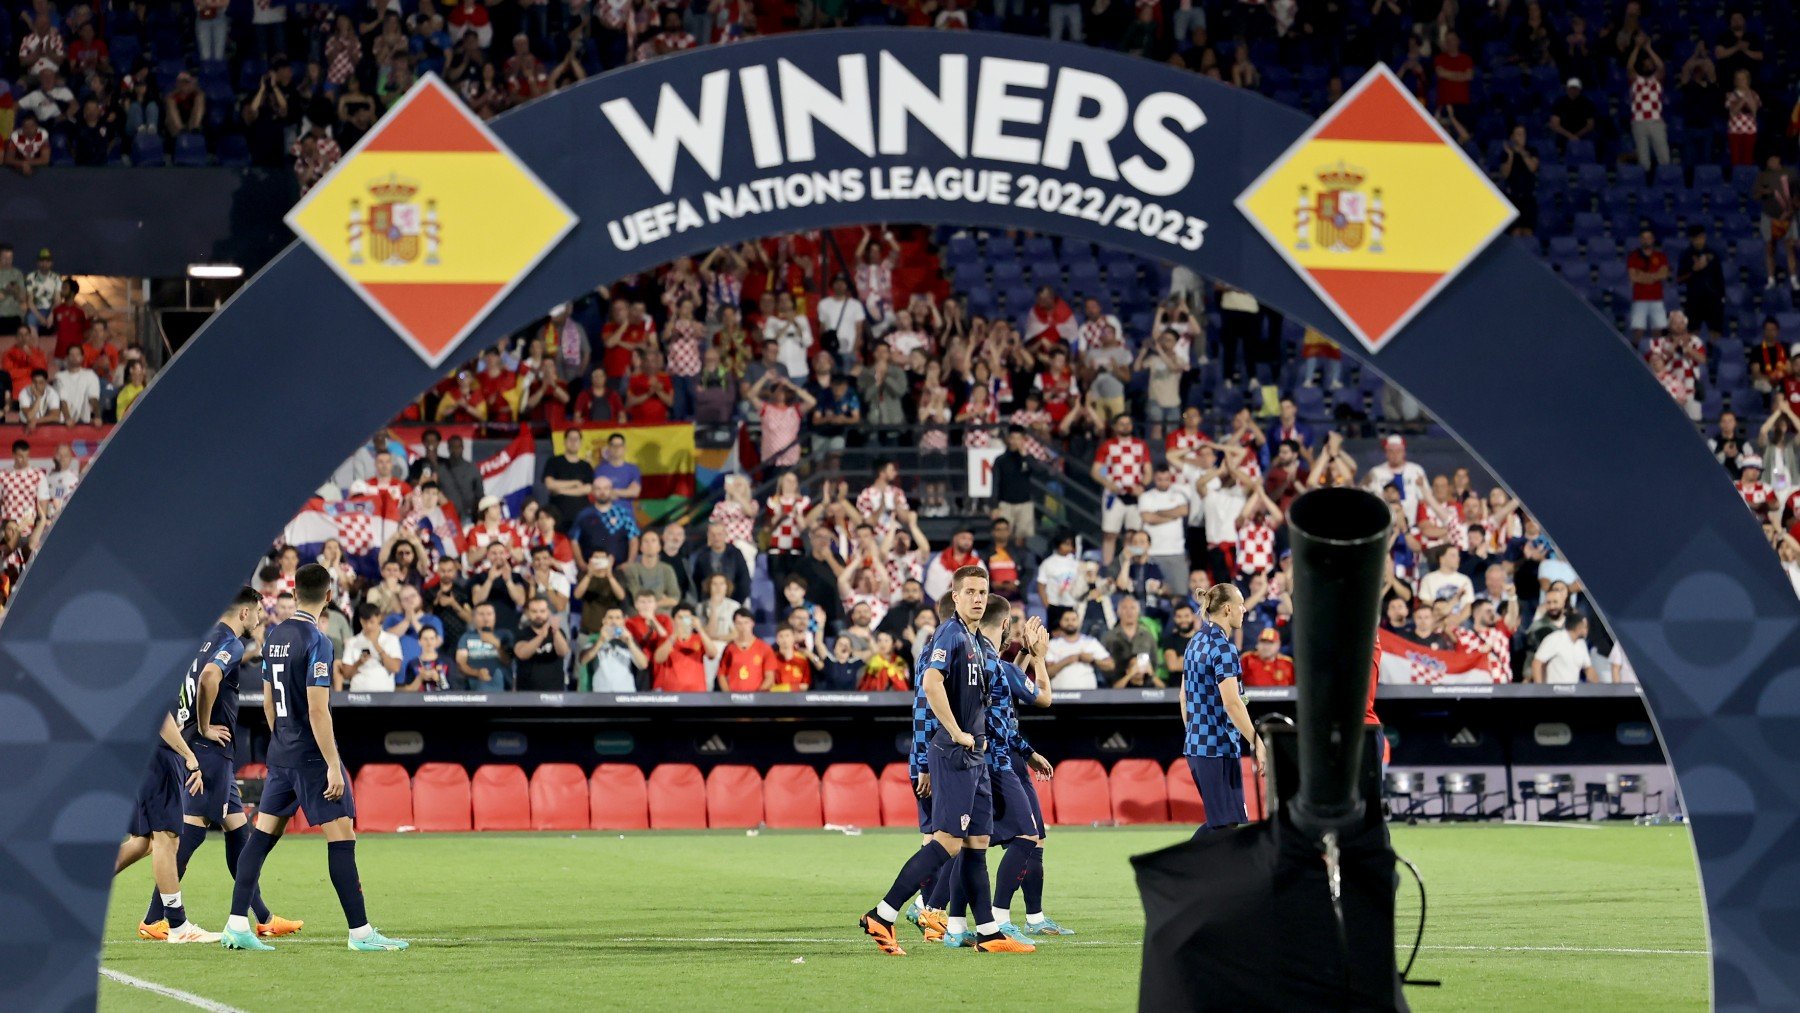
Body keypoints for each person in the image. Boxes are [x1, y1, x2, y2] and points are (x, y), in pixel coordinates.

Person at [221, 563, 409, 951]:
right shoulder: (317, 640)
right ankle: (360, 933)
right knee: (342, 837)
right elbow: (318, 709)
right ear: (328, 596)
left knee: (261, 838)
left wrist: (284, 741)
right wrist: (332, 764)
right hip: (310, 758)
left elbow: (271, 705)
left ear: (293, 591)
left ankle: (237, 923)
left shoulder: (274, 636)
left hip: (282, 753)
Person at [860, 566, 1032, 955]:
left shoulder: (975, 640)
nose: (976, 598)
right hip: (954, 754)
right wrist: (955, 732)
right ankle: (882, 914)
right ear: (955, 596)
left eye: (982, 592)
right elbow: (930, 683)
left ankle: (988, 933)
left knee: (977, 842)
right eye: (969, 591)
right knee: (948, 842)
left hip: (977, 757)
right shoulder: (950, 635)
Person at [137, 588, 302, 941]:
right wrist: (206, 724)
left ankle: (264, 916)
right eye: (257, 610)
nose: (260, 617)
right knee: (189, 833)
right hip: (210, 750)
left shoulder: (203, 639)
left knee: (239, 832)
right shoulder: (231, 642)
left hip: (210, 750)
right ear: (243, 612)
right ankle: (157, 918)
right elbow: (209, 678)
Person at [115, 711, 219, 944]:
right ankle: (178, 925)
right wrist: (190, 756)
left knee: (141, 843)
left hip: (140, 753)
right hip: (158, 757)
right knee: (167, 840)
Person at [1181, 583, 1264, 832]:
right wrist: (1256, 742)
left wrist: (1193, 733)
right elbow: (1232, 703)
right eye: (1241, 606)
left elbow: (1183, 697)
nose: (1244, 611)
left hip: (1200, 746)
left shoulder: (1195, 641)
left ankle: (1188, 869)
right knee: (1223, 825)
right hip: (1216, 748)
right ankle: (1181, 869)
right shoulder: (1224, 649)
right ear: (1228, 609)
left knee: (1226, 822)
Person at [336, 603, 402, 692]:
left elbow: (395, 668)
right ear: (360, 621)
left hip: (385, 695)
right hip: (358, 694)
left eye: (371, 621)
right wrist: (359, 662)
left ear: (379, 618)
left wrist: (377, 646)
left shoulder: (391, 639)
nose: (368, 626)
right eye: (364, 622)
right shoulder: (352, 642)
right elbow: (346, 675)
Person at [513, 595, 571, 691]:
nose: (538, 615)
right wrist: (541, 636)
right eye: (534, 611)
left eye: (542, 611)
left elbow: (563, 652)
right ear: (527, 613)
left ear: (548, 612)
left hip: (554, 692)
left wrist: (555, 632)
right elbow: (522, 654)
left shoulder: (557, 632)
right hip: (526, 692)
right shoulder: (522, 633)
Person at [454, 602, 513, 691]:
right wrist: (477, 673)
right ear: (474, 617)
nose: (486, 618)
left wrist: (496, 643)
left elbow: (509, 661)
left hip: (502, 688)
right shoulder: (466, 637)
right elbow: (460, 663)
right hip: (474, 688)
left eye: (489, 614)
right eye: (481, 614)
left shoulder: (505, 635)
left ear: (495, 616)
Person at [1531, 612, 1596, 684]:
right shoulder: (1555, 639)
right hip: (1552, 692)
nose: (1587, 630)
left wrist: (1599, 689)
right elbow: (1537, 663)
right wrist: (1540, 690)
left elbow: (1589, 669)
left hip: (1573, 692)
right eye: (1585, 627)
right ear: (1578, 627)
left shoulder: (1581, 644)